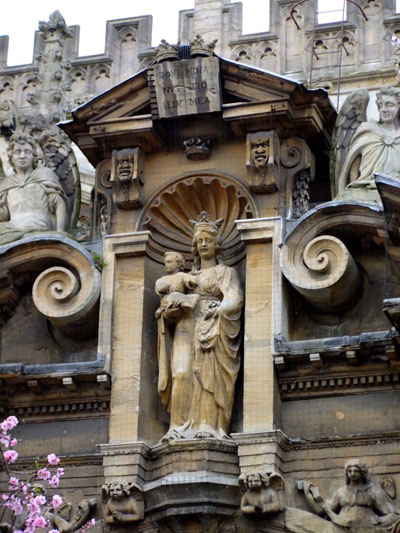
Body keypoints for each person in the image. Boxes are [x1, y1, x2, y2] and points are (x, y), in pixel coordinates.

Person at [156, 211, 243, 441]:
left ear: (217, 244)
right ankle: (177, 427)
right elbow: (165, 300)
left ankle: (208, 425)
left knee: (207, 375)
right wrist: (173, 306)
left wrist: (219, 309)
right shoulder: (183, 276)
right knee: (182, 373)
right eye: (200, 241)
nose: (204, 244)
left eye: (209, 240)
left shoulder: (226, 272)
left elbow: (234, 298)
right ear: (194, 245)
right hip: (185, 325)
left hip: (212, 325)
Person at [0, 133, 67, 245]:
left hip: (36, 227)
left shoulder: (44, 175)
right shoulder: (6, 183)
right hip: (10, 229)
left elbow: (58, 202)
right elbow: (3, 214)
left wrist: (60, 231)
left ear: (34, 156)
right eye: (18, 152)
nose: (22, 156)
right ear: (11, 156)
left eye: (27, 152)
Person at [337, 86, 400, 203]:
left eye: (389, 105)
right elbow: (352, 168)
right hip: (365, 189)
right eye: (381, 105)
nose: (384, 109)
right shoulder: (367, 129)